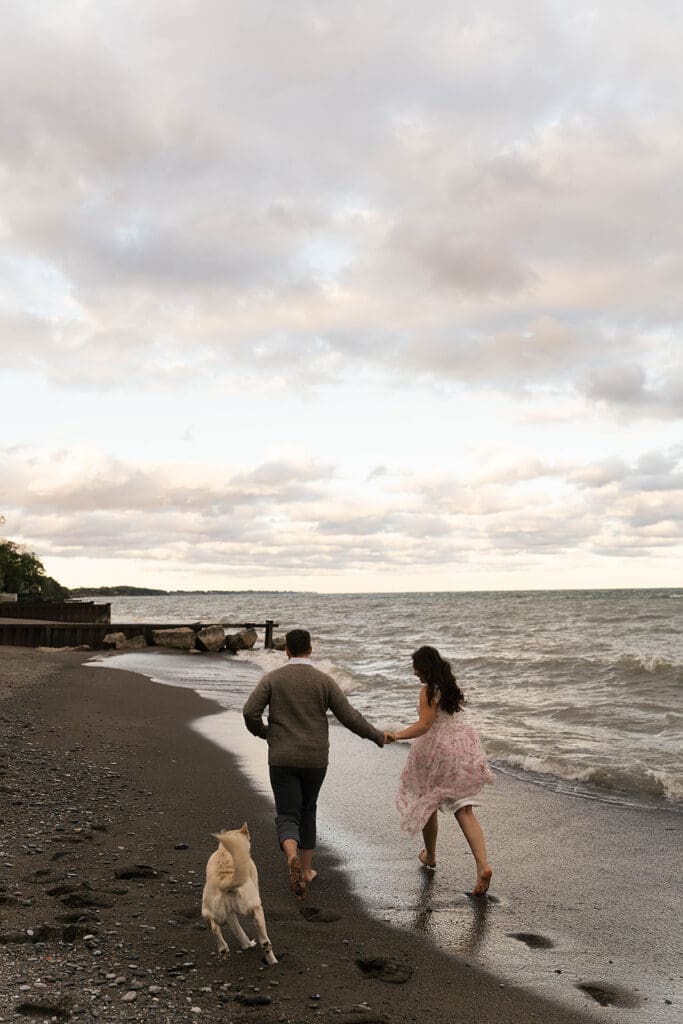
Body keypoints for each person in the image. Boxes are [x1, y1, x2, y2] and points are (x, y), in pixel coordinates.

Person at [243, 628, 392, 899]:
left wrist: (266, 733)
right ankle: (306, 871)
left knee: (288, 813)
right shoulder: (324, 681)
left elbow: (249, 711)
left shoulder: (273, 679)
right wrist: (378, 736)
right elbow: (350, 716)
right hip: (315, 759)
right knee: (308, 809)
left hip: (282, 757)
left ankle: (291, 856)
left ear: (286, 650)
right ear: (310, 649)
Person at [391, 645, 494, 895]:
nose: (414, 672)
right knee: (465, 809)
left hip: (436, 751)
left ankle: (431, 856)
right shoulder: (450, 687)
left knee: (428, 803)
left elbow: (424, 725)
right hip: (461, 746)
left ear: (423, 666)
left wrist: (395, 735)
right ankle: (482, 866)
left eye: (416, 666)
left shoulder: (427, 691)